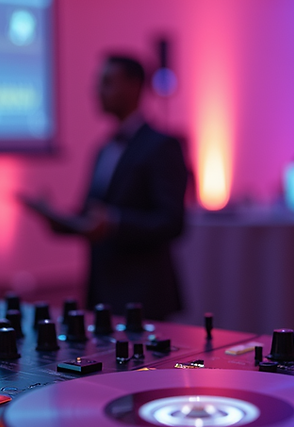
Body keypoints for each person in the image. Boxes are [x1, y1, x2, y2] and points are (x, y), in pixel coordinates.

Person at [20, 54, 189, 320]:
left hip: (143, 295)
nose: (97, 91)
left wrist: (116, 222)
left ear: (134, 86)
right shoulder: (104, 147)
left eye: (107, 82)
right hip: (102, 292)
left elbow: (172, 222)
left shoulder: (163, 146)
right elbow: (92, 216)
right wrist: (56, 218)